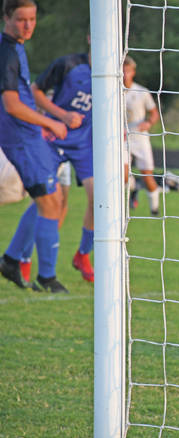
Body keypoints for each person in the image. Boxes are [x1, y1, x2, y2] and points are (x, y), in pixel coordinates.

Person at [0, 0, 69, 293]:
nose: (27, 26)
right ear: (6, 17)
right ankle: (48, 277)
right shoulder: (6, 53)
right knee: (50, 202)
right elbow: (12, 105)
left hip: (29, 135)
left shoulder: (15, 48)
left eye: (32, 19)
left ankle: (12, 260)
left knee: (53, 198)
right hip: (21, 138)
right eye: (20, 19)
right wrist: (51, 123)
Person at [24, 35, 95, 282]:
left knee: (100, 199)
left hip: (84, 144)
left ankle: (83, 254)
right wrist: (61, 116)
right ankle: (23, 258)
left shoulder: (114, 75)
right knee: (50, 201)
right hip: (54, 137)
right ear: (89, 38)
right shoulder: (67, 64)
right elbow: (35, 92)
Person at [123, 55, 160, 216]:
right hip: (121, 139)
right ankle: (131, 189)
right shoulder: (112, 91)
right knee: (122, 175)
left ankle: (155, 210)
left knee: (147, 177)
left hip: (140, 138)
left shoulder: (142, 92)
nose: (125, 74)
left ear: (133, 72)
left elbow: (154, 113)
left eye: (128, 71)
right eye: (122, 71)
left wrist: (148, 123)